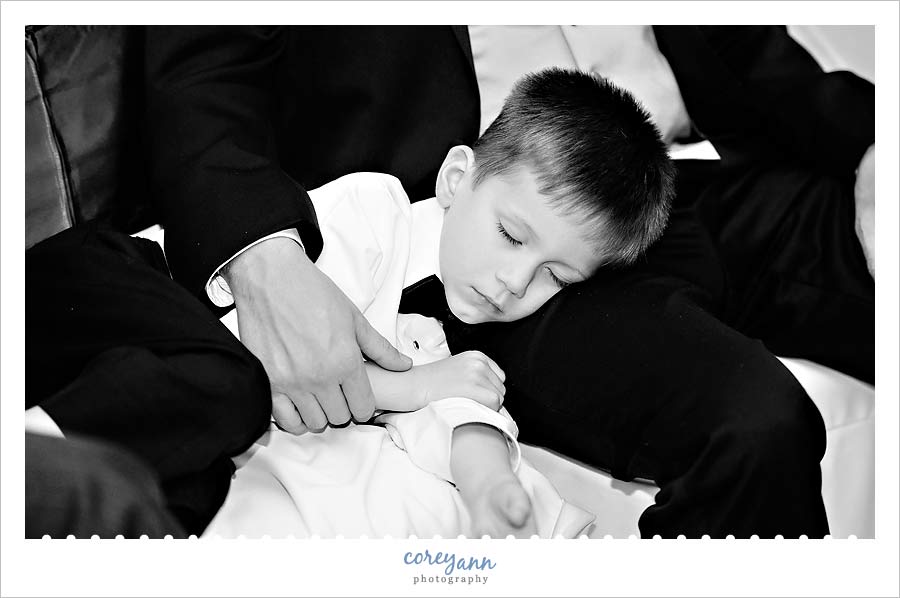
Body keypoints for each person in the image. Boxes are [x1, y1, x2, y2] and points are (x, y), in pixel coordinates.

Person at [141, 25, 873, 539]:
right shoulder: (493, 252)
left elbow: (741, 42)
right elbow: (203, 68)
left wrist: (875, 137)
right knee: (759, 426)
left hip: (686, 174)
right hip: (488, 222)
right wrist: (262, 256)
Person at [205, 68, 674, 538]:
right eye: (510, 235)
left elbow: (459, 410)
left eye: (555, 275)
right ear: (455, 178)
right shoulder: (372, 211)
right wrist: (419, 387)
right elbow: (274, 357)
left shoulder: (465, 328)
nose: (515, 282)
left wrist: (489, 481)